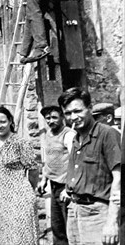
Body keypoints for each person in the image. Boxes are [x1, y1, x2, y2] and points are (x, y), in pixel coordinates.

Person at [59, 87, 121, 245]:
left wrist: (112, 222)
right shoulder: (76, 139)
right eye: (68, 113)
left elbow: (119, 180)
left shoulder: (107, 134)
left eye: (78, 111)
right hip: (74, 211)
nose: (73, 117)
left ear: (90, 108)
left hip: (97, 214)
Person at [0, 107, 39, 244]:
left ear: (10, 121)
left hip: (19, 198)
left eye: (3, 121)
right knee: (3, 237)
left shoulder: (20, 143)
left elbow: (33, 170)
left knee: (20, 238)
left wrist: (27, 191)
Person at [37, 105, 75, 245]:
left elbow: (74, 160)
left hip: (65, 186)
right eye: (48, 118)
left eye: (54, 117)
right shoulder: (48, 134)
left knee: (68, 226)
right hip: (53, 185)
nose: (51, 121)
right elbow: (48, 159)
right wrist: (44, 180)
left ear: (62, 117)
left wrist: (69, 187)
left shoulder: (68, 134)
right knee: (57, 225)